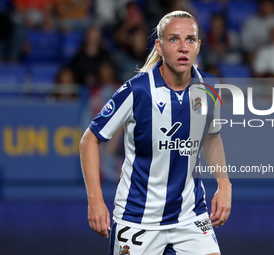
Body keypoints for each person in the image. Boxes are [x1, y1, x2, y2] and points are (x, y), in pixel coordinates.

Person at [79, 10, 232, 255]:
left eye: (190, 39)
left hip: (190, 216)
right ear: (159, 47)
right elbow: (89, 140)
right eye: (174, 39)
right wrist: (95, 200)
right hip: (137, 219)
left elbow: (211, 136)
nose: (183, 47)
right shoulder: (137, 90)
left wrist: (224, 184)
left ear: (199, 46)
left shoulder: (210, 86)